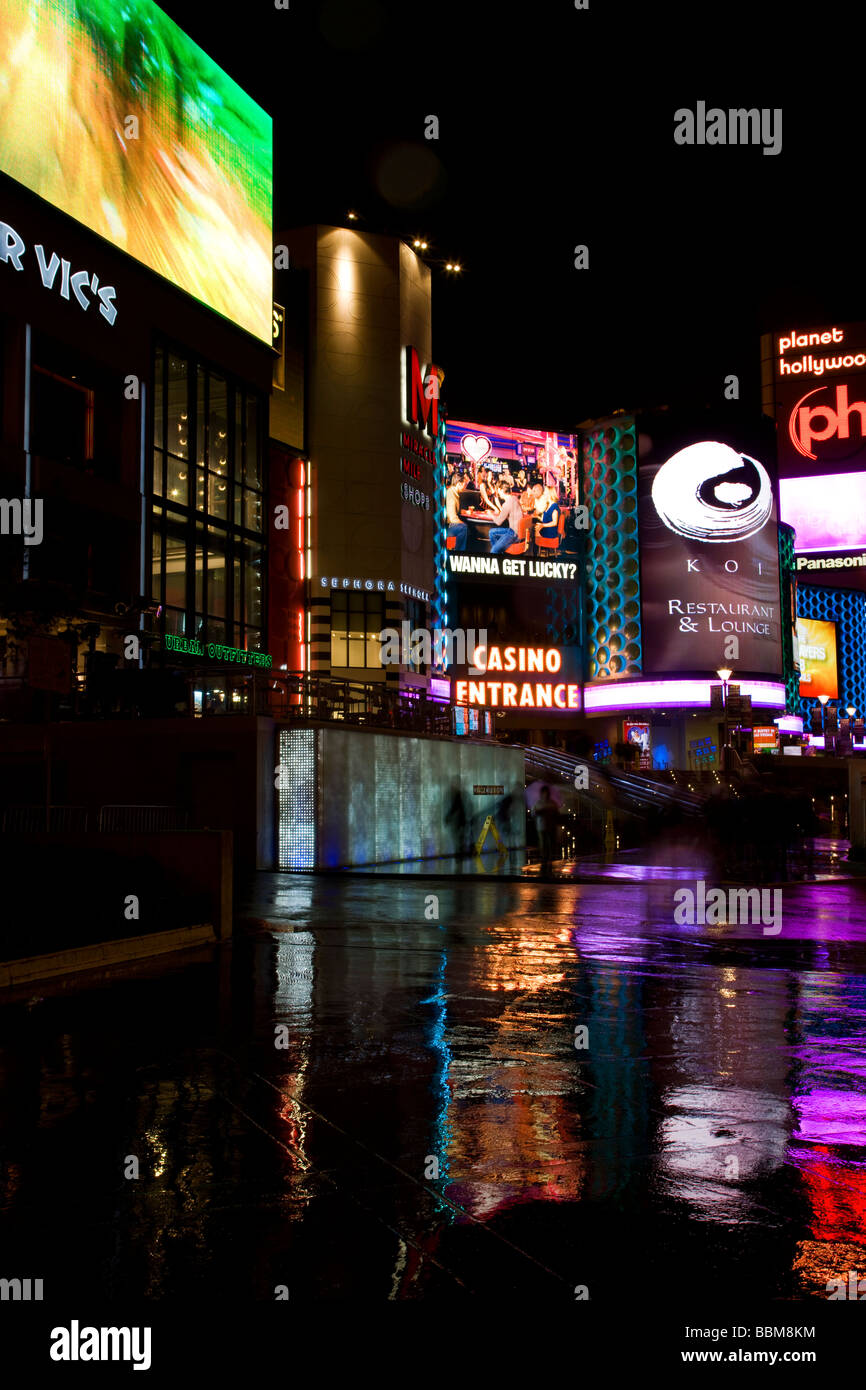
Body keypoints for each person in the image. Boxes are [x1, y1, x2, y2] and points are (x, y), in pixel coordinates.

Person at [488, 484, 525, 554]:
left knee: (493, 550)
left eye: (498, 490)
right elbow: (507, 511)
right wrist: (498, 504)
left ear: (502, 490)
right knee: (492, 532)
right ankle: (500, 552)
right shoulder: (514, 498)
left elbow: (498, 522)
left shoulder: (507, 504)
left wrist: (491, 515)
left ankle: (496, 552)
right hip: (517, 531)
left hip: (514, 534)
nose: (498, 493)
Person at [534, 785, 559, 876]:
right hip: (541, 826)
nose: (545, 795)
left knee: (550, 843)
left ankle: (549, 859)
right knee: (543, 843)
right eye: (543, 793)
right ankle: (544, 859)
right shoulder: (538, 803)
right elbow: (534, 814)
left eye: (546, 793)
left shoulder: (552, 803)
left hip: (550, 826)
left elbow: (556, 814)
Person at [446, 474, 468, 551]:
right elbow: (452, 518)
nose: (465, 487)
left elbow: (455, 510)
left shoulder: (454, 492)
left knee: (465, 526)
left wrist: (465, 511)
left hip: (450, 524)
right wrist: (462, 523)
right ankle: (458, 553)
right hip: (448, 526)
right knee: (463, 527)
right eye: (464, 485)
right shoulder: (451, 494)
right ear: (459, 484)